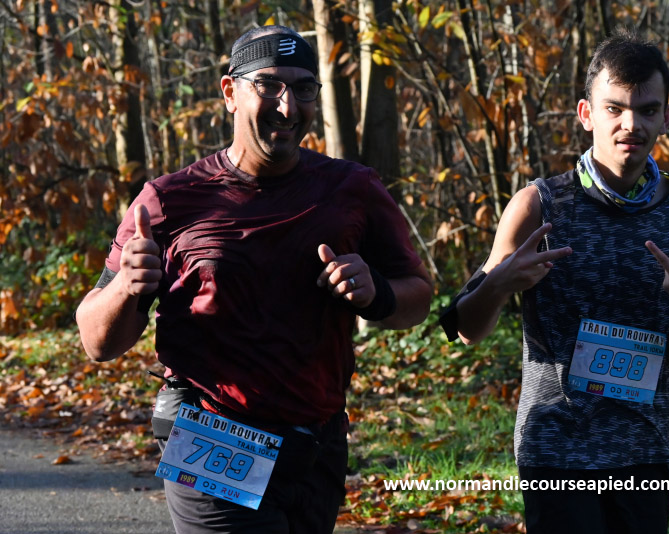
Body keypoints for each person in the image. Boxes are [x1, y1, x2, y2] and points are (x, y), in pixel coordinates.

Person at [76, 24, 432, 533]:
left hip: (317, 443)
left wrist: (376, 293)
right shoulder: (168, 200)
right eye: (269, 85)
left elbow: (418, 297)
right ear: (230, 92)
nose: (288, 106)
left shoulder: (353, 189)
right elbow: (97, 342)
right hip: (212, 432)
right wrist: (125, 287)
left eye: (304, 89)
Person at [439, 29, 669, 534]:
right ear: (586, 114)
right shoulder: (540, 206)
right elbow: (466, 330)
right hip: (554, 446)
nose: (631, 124)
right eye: (614, 109)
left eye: (647, 110)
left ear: (666, 117)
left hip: (644, 448)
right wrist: (498, 284)